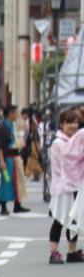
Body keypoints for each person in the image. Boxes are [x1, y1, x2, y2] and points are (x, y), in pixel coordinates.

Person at [50, 109, 84, 263]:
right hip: (62, 187)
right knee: (59, 219)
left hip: (76, 185)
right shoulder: (58, 143)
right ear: (62, 124)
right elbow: (66, 163)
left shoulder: (77, 141)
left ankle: (72, 251)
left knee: (74, 219)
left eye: (76, 122)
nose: (73, 125)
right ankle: (54, 251)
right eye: (70, 122)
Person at [0, 105, 22, 215]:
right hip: (7, 158)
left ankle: (17, 204)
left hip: (14, 157)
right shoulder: (1, 127)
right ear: (10, 114)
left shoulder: (12, 126)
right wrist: (1, 161)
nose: (17, 115)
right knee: (6, 182)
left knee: (17, 181)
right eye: (15, 113)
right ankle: (3, 206)